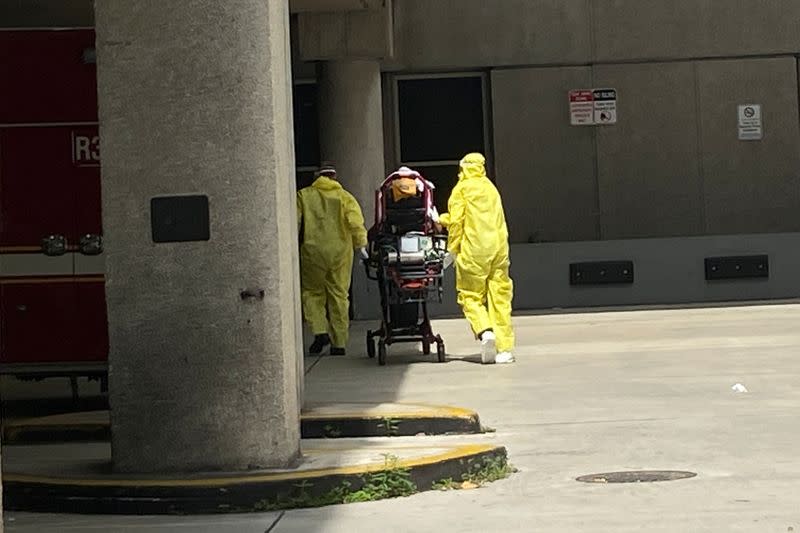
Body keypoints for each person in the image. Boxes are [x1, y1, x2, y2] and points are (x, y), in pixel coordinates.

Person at [431, 153, 515, 364]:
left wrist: (450, 247)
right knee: (500, 298)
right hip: (499, 249)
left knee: (470, 295)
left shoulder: (462, 190)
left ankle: (485, 331)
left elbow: (457, 222)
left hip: (475, 250)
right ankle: (504, 350)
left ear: (463, 169)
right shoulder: (491, 188)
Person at [297, 163, 369, 356]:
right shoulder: (345, 197)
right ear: (335, 177)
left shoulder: (304, 195)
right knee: (339, 295)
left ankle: (320, 331)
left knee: (312, 293)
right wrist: (360, 244)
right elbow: (355, 222)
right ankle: (339, 343)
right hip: (340, 253)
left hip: (313, 252)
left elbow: (295, 222)